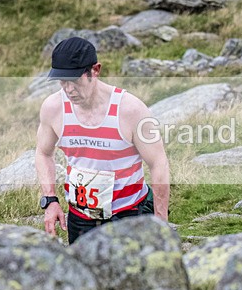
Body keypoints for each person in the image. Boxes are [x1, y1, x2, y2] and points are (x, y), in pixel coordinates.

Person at [35, 37, 170, 243]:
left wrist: (161, 223)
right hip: (80, 219)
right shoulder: (53, 108)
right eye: (62, 81)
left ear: (95, 70)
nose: (69, 89)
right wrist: (50, 199)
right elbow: (43, 153)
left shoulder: (131, 110)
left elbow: (158, 163)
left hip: (130, 215)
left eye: (75, 81)